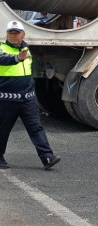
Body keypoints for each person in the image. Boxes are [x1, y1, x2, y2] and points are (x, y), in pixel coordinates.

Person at [0, 21, 59, 170]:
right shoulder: (2, 48)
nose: (13, 36)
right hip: (7, 99)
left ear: (23, 34)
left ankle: (47, 157)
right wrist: (17, 58)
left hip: (27, 98)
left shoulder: (26, 49)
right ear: (7, 34)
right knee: (3, 129)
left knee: (36, 128)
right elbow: (3, 59)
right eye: (11, 33)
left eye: (17, 33)